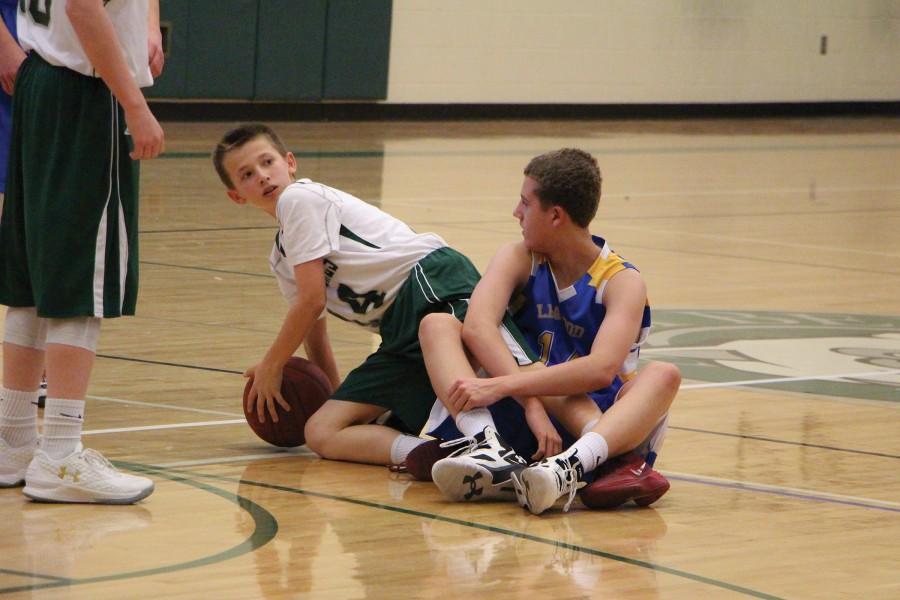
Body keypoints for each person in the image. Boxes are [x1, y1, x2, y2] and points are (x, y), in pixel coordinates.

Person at [212, 123, 545, 469]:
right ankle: (436, 455)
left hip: (428, 280)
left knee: (524, 378)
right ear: (237, 195)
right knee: (322, 431)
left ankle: (489, 444)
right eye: (247, 174)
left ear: (290, 163)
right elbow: (315, 330)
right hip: (398, 329)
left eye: (268, 163)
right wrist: (336, 394)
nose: (263, 176)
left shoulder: (300, 198)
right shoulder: (281, 260)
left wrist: (272, 364)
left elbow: (312, 301)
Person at [421, 148, 680, 514]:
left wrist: (505, 385)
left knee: (663, 374)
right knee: (438, 325)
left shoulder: (622, 281)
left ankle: (573, 465)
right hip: (531, 416)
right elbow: (478, 327)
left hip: (598, 425)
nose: (517, 213)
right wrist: (530, 404)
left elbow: (600, 370)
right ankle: (489, 446)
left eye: (526, 203)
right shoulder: (519, 258)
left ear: (555, 215)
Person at [0, 0, 165, 503]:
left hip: (41, 84)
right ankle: (61, 453)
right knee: (82, 277)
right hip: (88, 94)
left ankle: (13, 440)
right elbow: (83, 6)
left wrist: (147, 23)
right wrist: (135, 104)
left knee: (33, 277)